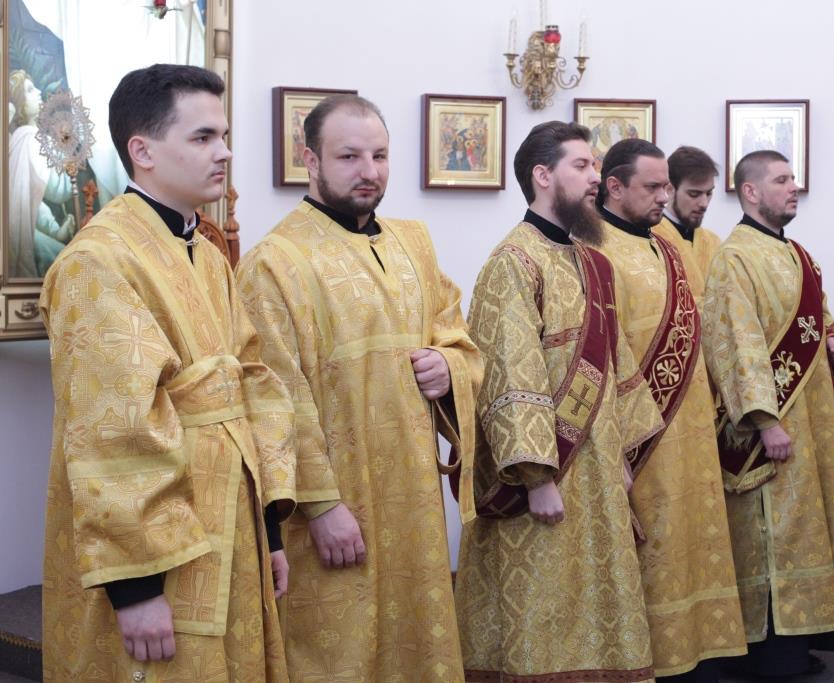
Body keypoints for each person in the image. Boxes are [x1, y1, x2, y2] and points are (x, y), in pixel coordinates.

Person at [39, 63, 295, 682]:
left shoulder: (206, 252)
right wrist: (135, 589)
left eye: (223, 136)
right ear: (143, 151)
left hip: (231, 521)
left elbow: (254, 380)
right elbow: (113, 432)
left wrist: (268, 529)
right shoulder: (98, 261)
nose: (224, 152)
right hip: (155, 555)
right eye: (203, 137)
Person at [235, 94, 481, 681]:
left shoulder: (413, 243)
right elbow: (274, 394)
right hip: (334, 505)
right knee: (336, 649)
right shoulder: (274, 262)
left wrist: (449, 366)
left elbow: (456, 333)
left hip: (413, 501)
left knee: (415, 642)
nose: (369, 171)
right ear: (310, 159)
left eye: (380, 156)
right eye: (349, 156)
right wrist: (321, 505)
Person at [455, 121, 663, 682]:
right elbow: (508, 373)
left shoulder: (593, 261)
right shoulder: (513, 262)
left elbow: (615, 364)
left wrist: (621, 452)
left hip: (597, 470)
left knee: (597, 605)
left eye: (596, 165)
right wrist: (536, 476)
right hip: (547, 475)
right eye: (582, 165)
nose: (596, 177)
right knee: (542, 606)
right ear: (543, 176)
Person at [701, 150, 834, 678]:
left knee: (806, 529)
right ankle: (768, 655)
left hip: (810, 422)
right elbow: (736, 344)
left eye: (794, 178)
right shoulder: (734, 258)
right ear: (750, 192)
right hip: (770, 426)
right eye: (782, 179)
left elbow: (820, 320)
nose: (794, 187)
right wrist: (765, 421)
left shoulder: (799, 255)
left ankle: (802, 638)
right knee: (772, 532)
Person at [594, 139, 746, 682]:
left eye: (666, 186)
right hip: (643, 433)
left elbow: (700, 325)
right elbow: (599, 353)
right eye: (654, 187)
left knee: (694, 542)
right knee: (653, 549)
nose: (665, 197)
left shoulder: (668, 245)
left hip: (692, 425)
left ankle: (698, 655)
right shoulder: (592, 248)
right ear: (615, 186)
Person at [8, 69, 76, 278]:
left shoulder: (18, 138)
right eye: (29, 90)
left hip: (23, 233)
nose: (38, 91)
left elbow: (30, 199)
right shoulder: (31, 139)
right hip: (26, 238)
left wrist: (55, 231)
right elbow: (58, 191)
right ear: (20, 104)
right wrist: (67, 155)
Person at [653, 145, 722, 305]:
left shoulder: (714, 242)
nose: (704, 203)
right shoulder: (651, 238)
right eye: (694, 194)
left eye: (709, 193)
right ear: (670, 189)